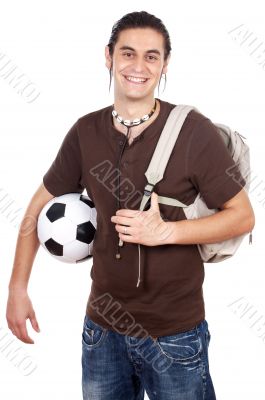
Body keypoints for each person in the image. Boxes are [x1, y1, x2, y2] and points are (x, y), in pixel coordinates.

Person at [6, 10, 255, 400]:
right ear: (109, 56)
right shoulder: (85, 131)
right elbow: (37, 209)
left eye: (152, 56)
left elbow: (243, 216)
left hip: (175, 336)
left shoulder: (194, 132)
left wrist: (168, 231)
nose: (138, 66)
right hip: (102, 334)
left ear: (165, 64)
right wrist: (17, 289)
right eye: (128, 53)